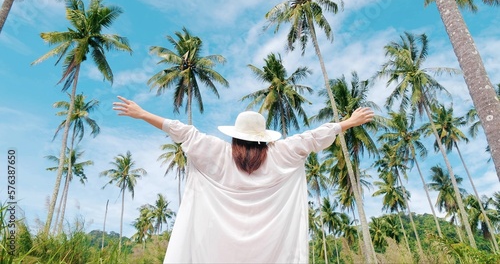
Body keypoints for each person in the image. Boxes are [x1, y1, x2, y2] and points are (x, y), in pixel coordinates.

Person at [113, 95, 374, 263]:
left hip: (218, 250)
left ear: (235, 136)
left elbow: (183, 132)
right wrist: (348, 122)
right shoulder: (280, 154)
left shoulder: (217, 152)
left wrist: (143, 113)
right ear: (264, 137)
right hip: (270, 248)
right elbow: (313, 137)